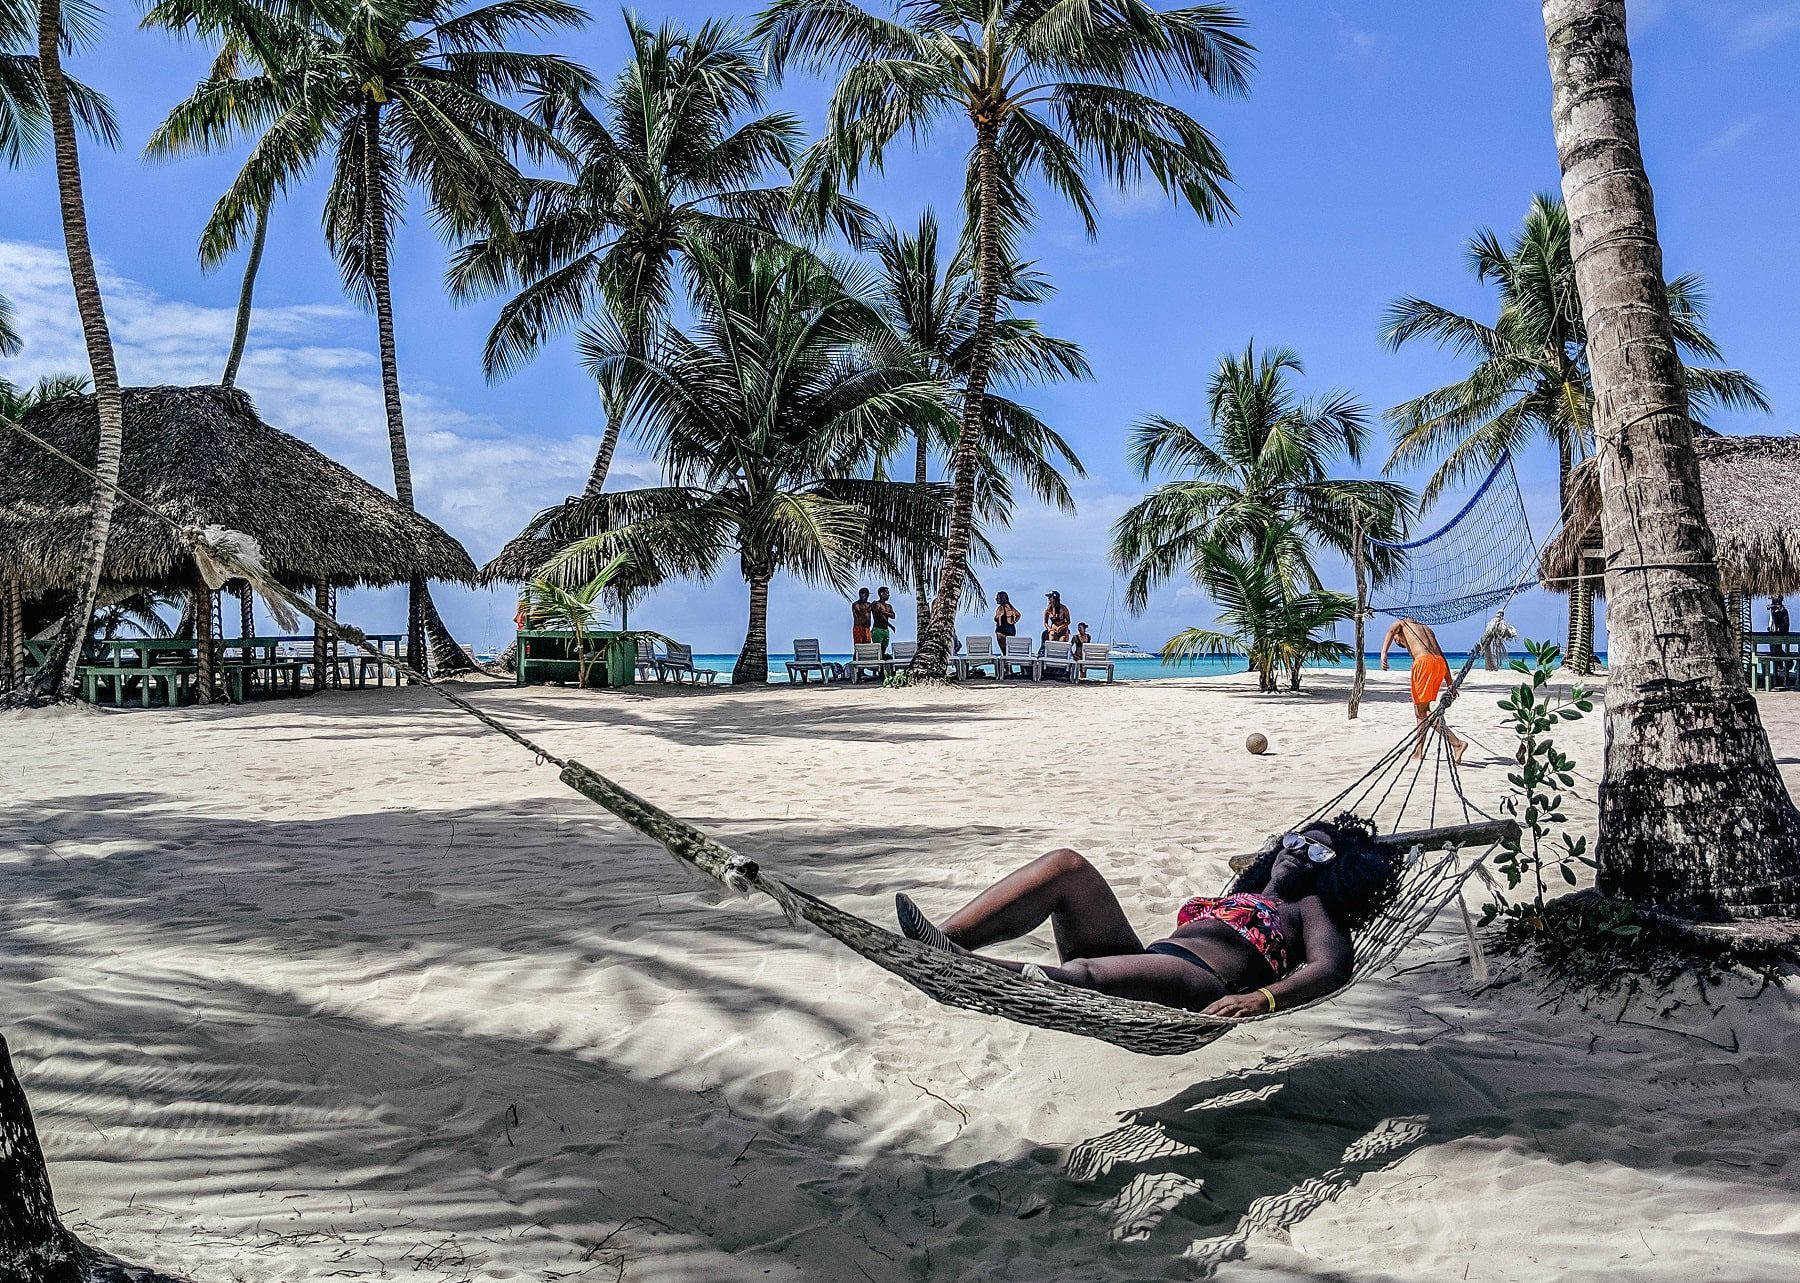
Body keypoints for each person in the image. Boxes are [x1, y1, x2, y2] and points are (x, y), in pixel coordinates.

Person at [895, 814, 1400, 1016]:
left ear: (1336, 872)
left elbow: (1331, 969)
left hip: (1200, 981)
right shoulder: (1246, 891)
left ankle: (962, 973)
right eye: (1296, 840)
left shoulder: (1310, 908)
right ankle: (946, 943)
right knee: (1066, 866)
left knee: (1083, 974)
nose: (1300, 851)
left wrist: (1260, 1000)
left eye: (1318, 852)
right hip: (1147, 961)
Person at [1381, 616, 1468, 762]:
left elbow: (1391, 630)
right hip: (1438, 664)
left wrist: (1384, 653)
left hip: (1423, 663)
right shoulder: (1427, 629)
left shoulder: (1403, 624)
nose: (1397, 641)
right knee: (1420, 711)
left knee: (1422, 712)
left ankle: (1456, 743)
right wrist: (1450, 682)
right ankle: (1418, 751)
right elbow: (1441, 654)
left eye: (1397, 640)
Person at [871, 587, 897, 657]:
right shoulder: (876, 604)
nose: (889, 595)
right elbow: (880, 617)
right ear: (882, 594)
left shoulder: (889, 606)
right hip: (877, 629)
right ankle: (879, 666)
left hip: (885, 630)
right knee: (878, 650)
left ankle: (882, 666)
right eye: (887, 593)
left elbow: (893, 616)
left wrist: (884, 612)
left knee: (884, 649)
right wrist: (890, 626)